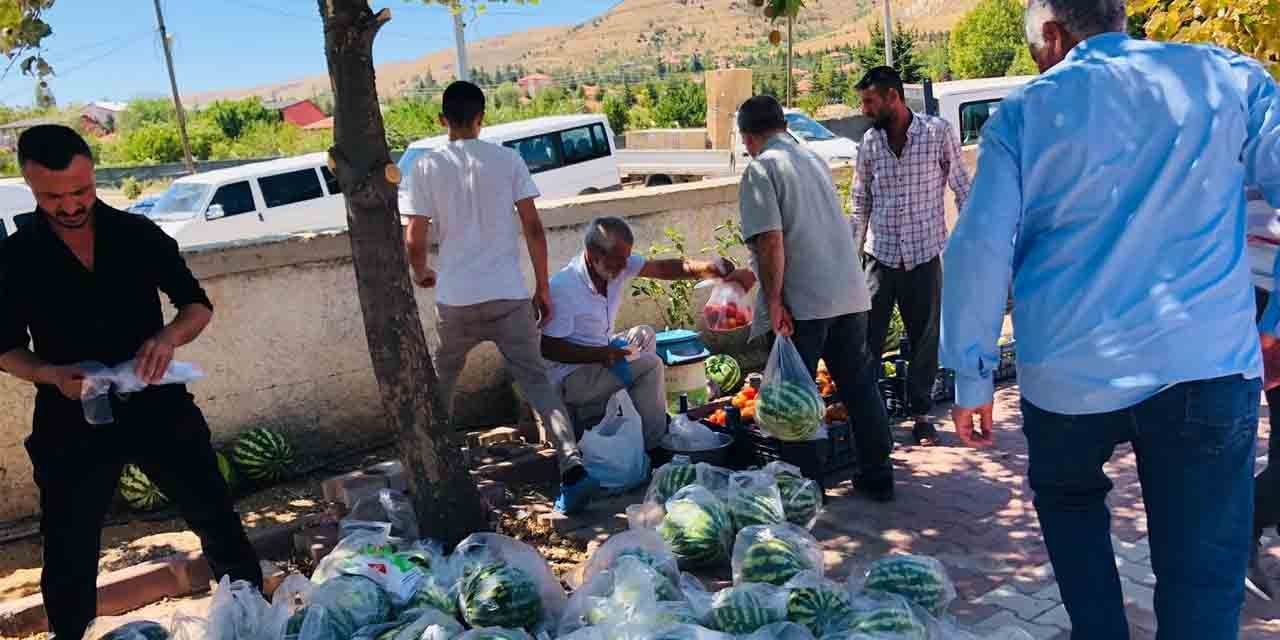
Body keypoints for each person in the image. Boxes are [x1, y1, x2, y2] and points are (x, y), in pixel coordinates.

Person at [940, 0, 1280, 636]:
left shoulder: (1025, 113)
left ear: (1053, 33)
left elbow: (980, 247)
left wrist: (972, 377)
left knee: (1071, 510)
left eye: (1039, 51)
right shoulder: (1228, 79)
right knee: (1205, 576)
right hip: (1205, 365)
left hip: (1068, 375)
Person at [0, 125, 262, 640]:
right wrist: (48, 374)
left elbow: (196, 305)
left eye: (81, 190)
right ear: (29, 185)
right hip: (69, 414)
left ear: (93, 174)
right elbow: (5, 348)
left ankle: (255, 621)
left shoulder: (138, 234)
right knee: (69, 548)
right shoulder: (14, 257)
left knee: (216, 518)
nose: (71, 204)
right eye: (53, 196)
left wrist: (167, 339)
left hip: (158, 403)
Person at [399, 81, 580, 512]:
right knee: (537, 381)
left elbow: (414, 235)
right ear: (482, 118)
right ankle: (571, 461)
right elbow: (534, 228)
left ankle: (432, 469)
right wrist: (541, 287)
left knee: (441, 383)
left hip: (456, 299)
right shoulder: (508, 159)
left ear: (442, 120)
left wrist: (422, 271)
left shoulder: (425, 166)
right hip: (508, 296)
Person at [736, 95, 896, 502]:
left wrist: (774, 300)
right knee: (860, 387)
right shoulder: (812, 161)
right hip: (849, 293)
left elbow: (771, 241)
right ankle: (878, 473)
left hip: (805, 303)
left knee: (796, 400)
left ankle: (807, 491)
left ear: (748, 136)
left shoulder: (761, 169)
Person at [541, 217, 754, 495]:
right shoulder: (564, 288)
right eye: (619, 260)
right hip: (571, 376)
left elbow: (664, 267)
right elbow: (549, 348)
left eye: (627, 258)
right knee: (651, 365)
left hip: (600, 354)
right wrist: (602, 354)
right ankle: (655, 448)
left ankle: (632, 424)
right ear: (594, 256)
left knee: (645, 336)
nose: (624, 267)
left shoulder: (614, 263)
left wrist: (706, 268)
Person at [852, 65, 971, 446]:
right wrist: (852, 260)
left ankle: (921, 414)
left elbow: (962, 188)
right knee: (866, 338)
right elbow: (860, 201)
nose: (865, 110)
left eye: (870, 101)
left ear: (893, 97)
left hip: (923, 254)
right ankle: (869, 418)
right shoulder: (870, 143)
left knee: (924, 338)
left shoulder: (937, 134)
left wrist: (971, 245)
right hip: (879, 255)